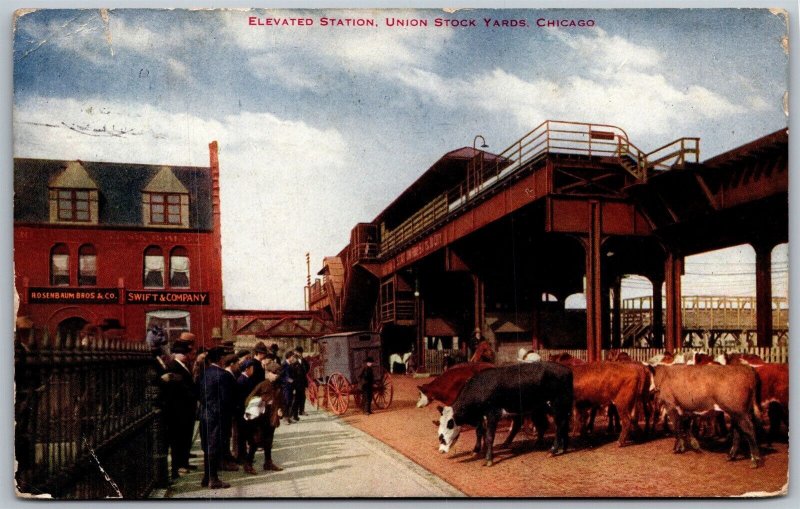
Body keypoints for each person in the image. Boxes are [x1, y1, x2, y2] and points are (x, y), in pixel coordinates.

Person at [197, 346, 235, 489]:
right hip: (218, 415)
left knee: (207, 446)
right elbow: (226, 399)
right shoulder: (223, 375)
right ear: (220, 359)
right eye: (224, 356)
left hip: (205, 413)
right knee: (215, 446)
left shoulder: (203, 373)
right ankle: (213, 479)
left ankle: (207, 477)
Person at [163, 339, 199, 480]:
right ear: (177, 354)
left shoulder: (182, 366)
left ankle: (184, 462)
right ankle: (179, 465)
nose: (186, 355)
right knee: (179, 439)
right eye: (184, 353)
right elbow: (179, 389)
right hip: (179, 410)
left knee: (185, 437)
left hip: (186, 409)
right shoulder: (173, 366)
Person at [244, 360, 284, 472]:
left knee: (268, 441)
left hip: (271, 419)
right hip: (260, 419)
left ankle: (268, 463)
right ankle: (248, 464)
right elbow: (248, 400)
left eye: (278, 374)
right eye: (275, 373)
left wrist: (281, 410)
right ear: (268, 373)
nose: (277, 376)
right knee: (256, 442)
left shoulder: (278, 385)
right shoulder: (262, 385)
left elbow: (281, 400)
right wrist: (262, 402)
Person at [236, 359, 259, 474]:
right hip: (245, 414)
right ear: (247, 369)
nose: (253, 370)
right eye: (252, 368)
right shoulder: (242, 381)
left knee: (247, 438)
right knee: (249, 438)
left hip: (248, 413)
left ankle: (245, 460)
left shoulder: (247, 379)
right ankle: (246, 462)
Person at [221, 354, 240, 471]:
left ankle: (228, 458)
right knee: (226, 435)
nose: (238, 366)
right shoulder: (227, 375)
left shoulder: (230, 374)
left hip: (231, 410)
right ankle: (225, 460)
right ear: (232, 364)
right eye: (237, 363)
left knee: (228, 434)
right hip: (229, 411)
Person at [292, 346, 309, 419]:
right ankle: (294, 414)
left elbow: (307, 368)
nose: (298, 354)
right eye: (297, 352)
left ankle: (301, 410)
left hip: (302, 381)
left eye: (299, 353)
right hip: (296, 382)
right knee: (296, 398)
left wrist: (302, 360)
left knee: (303, 397)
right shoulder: (293, 360)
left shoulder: (303, 360)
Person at [280, 351, 297, 424]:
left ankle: (289, 417)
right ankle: (285, 418)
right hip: (285, 387)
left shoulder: (291, 365)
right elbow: (281, 376)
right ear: (289, 357)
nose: (293, 358)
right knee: (286, 402)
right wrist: (287, 380)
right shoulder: (284, 364)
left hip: (291, 386)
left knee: (290, 402)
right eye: (292, 356)